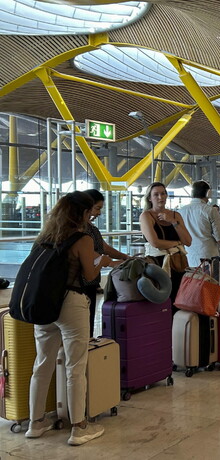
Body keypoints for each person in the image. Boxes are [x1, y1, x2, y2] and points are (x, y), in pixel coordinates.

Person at [26, 192, 112, 445]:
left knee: (42, 365)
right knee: (75, 367)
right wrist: (103, 260)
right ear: (83, 214)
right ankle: (79, 428)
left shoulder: (45, 236)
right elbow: (88, 274)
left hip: (44, 306)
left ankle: (36, 423)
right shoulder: (82, 239)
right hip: (71, 304)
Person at [82, 189, 129, 336]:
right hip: (81, 283)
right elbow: (86, 252)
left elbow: (103, 247)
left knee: (87, 327)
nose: (99, 213)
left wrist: (125, 257)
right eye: (97, 208)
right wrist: (109, 263)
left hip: (90, 283)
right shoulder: (79, 229)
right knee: (81, 329)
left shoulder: (90, 228)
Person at [139, 182, 192, 306]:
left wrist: (173, 222)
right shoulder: (146, 216)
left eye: (163, 194)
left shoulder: (175, 215)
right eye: (156, 194)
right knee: (162, 300)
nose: (160, 197)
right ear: (149, 198)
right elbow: (155, 242)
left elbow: (188, 241)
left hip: (178, 263)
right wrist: (177, 243)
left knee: (179, 300)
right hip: (158, 263)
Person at [178, 181, 220, 270]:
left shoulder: (181, 211)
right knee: (211, 283)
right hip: (208, 257)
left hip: (189, 257)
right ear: (208, 193)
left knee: (192, 283)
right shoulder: (210, 210)